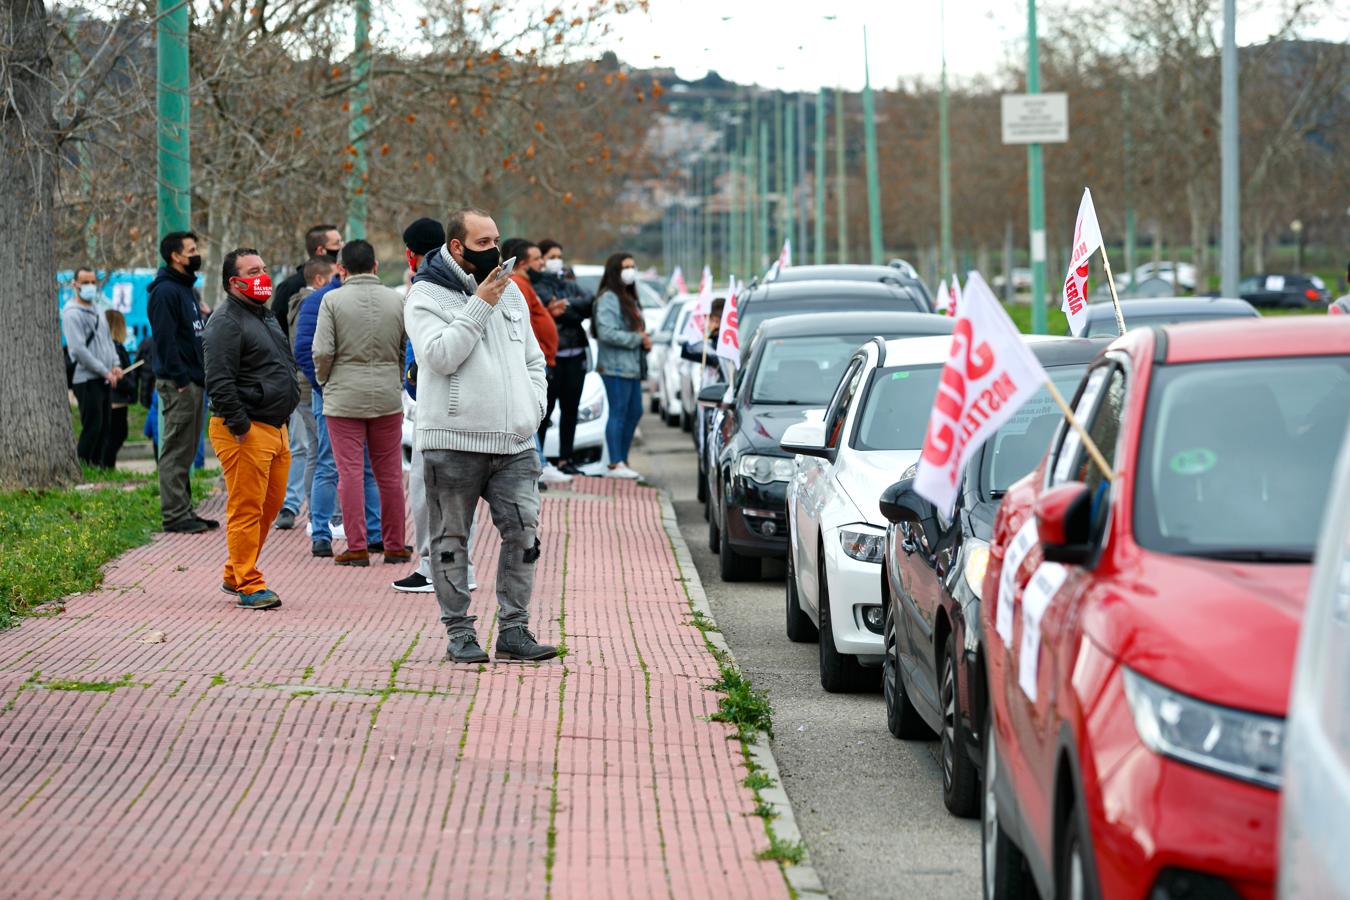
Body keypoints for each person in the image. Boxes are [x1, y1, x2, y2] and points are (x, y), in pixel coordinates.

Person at [405, 206, 555, 663]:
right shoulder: (424, 295)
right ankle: (459, 633)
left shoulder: (511, 293)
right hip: (453, 443)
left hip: (514, 443)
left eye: (496, 240)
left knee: (524, 535)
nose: (495, 250)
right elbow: (440, 357)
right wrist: (480, 303)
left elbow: (533, 359)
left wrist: (533, 407)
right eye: (483, 244)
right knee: (450, 541)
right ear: (457, 247)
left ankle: (514, 630)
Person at [203, 248, 300, 610]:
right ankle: (248, 582)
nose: (263, 275)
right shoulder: (225, 321)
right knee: (247, 508)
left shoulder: (264, 316)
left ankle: (234, 571)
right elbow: (218, 380)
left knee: (269, 506)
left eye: (264, 267)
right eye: (253, 271)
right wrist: (240, 425)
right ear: (234, 281)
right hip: (245, 430)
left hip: (275, 428)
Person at [393, 217, 479, 595]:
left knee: (428, 489)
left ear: (410, 254)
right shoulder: (464, 280)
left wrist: (412, 380)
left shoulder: (424, 287)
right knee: (458, 491)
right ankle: (462, 566)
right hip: (462, 402)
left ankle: (435, 568)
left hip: (436, 403)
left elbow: (424, 352)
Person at [311, 240, 410, 567]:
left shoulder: (332, 300)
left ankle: (357, 547)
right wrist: (394, 378)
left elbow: (322, 351)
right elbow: (402, 348)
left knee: (349, 472)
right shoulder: (396, 300)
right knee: (390, 473)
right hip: (386, 395)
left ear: (341, 269)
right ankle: (395, 545)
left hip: (343, 396)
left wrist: (326, 380)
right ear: (376, 266)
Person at [293, 259, 384, 558]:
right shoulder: (326, 300)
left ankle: (356, 533)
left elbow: (308, 349)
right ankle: (325, 532)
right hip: (342, 394)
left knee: (341, 465)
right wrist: (324, 387)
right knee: (340, 464)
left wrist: (325, 385)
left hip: (339, 393)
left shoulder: (322, 300)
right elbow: (307, 349)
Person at [148, 231, 217, 533]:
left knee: (188, 449)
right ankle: (174, 515)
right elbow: (164, 339)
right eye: (191, 250)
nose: (195, 254)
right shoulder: (165, 292)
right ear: (176, 256)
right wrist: (179, 378)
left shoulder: (185, 290)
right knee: (177, 449)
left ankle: (184, 509)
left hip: (193, 380)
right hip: (180, 383)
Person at [502, 238, 570, 487]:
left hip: (540, 360)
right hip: (532, 363)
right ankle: (537, 465)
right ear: (522, 264)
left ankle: (539, 463)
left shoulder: (526, 285)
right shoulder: (517, 285)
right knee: (532, 417)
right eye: (537, 259)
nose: (542, 263)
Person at [274, 257, 332, 530]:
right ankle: (323, 514)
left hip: (303, 384)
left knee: (311, 451)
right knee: (322, 453)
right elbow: (308, 350)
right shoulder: (313, 304)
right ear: (319, 280)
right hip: (311, 387)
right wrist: (322, 383)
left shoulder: (298, 304)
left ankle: (308, 509)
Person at [530, 239, 592, 475]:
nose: (557, 260)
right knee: (545, 411)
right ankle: (541, 461)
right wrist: (570, 311)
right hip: (552, 358)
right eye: (552, 256)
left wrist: (565, 308)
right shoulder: (538, 284)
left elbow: (588, 302)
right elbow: (545, 308)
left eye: (560, 255)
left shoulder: (567, 280)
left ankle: (566, 459)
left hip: (576, 355)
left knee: (571, 410)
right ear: (542, 259)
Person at [592, 252, 649, 479]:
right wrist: (637, 339)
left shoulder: (629, 297)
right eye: (625, 266)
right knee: (618, 412)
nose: (630, 270)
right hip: (615, 367)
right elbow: (606, 333)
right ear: (615, 271)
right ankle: (615, 463)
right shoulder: (609, 298)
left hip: (631, 366)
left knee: (635, 411)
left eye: (632, 266)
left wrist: (643, 340)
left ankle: (622, 460)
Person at [62, 267, 122, 467]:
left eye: (92, 282)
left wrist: (115, 365)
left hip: (104, 378)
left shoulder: (98, 309)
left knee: (105, 427)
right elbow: (78, 350)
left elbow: (107, 340)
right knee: (92, 427)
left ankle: (97, 467)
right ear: (75, 284)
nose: (89, 286)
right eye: (85, 282)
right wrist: (104, 370)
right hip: (86, 379)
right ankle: (84, 467)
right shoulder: (71, 313)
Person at [271, 224, 342, 341]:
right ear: (321, 250)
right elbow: (277, 332)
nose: (342, 246)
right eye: (337, 243)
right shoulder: (289, 288)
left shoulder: (344, 279)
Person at [103, 309, 137, 469]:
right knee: (117, 435)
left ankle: (107, 466)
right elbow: (122, 375)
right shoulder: (116, 348)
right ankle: (106, 467)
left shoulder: (105, 348)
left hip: (111, 399)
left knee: (112, 436)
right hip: (117, 400)